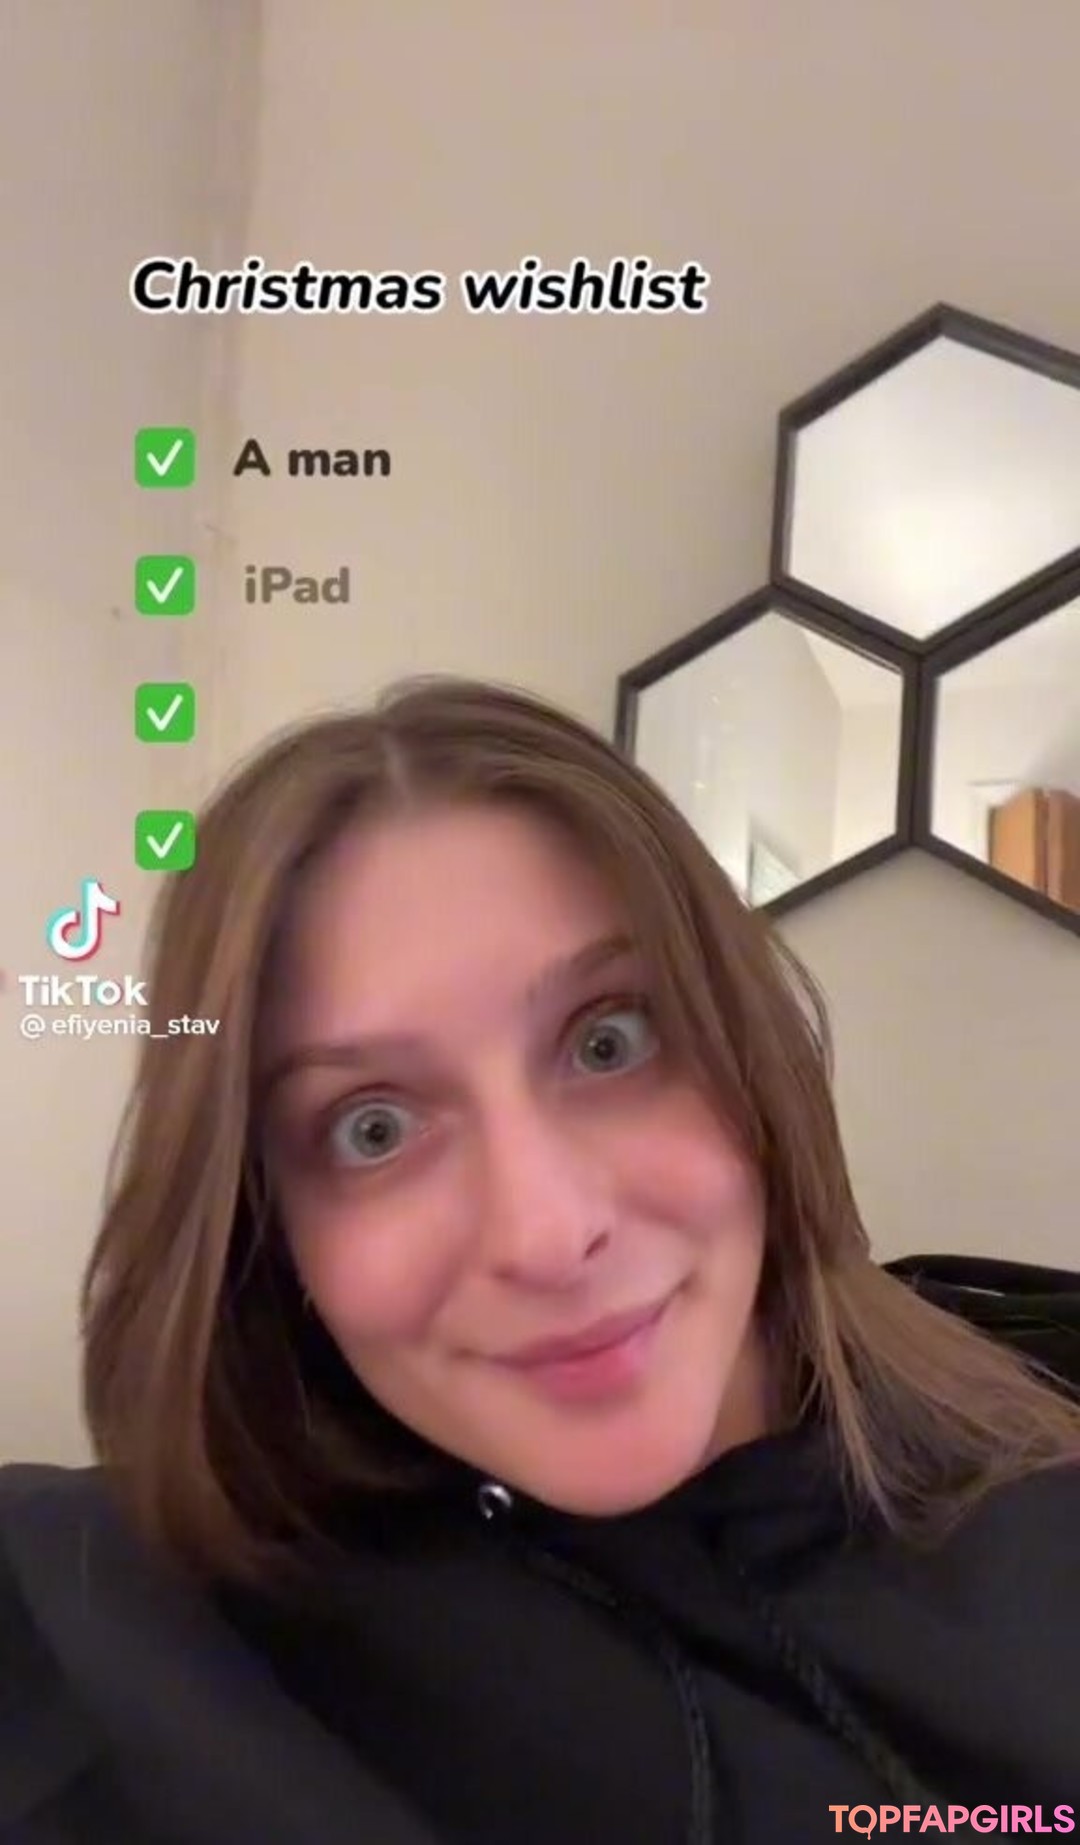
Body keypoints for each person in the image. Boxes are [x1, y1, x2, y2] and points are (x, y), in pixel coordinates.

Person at [2, 677, 1079, 1845]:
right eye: (374, 1128)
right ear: (264, 1226)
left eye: (609, 1041)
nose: (547, 1235)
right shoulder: (145, 1639)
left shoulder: (1040, 1488)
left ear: (749, 1051)